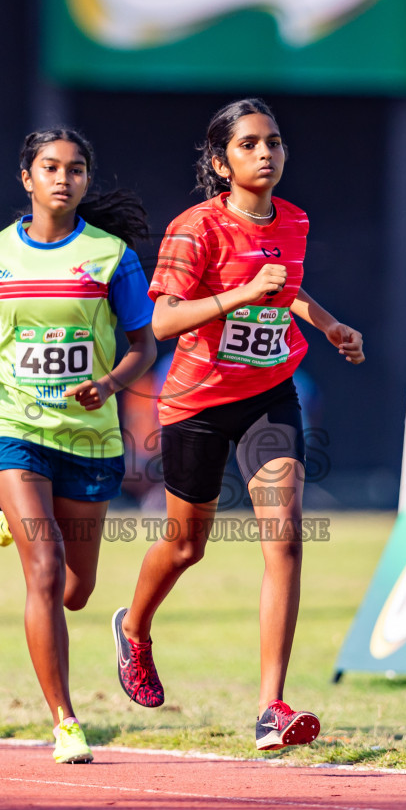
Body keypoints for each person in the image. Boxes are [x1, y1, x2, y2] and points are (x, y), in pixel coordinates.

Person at [112, 98, 364, 751]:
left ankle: (271, 708)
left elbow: (289, 288)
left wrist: (327, 323)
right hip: (196, 403)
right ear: (222, 161)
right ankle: (135, 629)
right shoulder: (194, 230)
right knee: (186, 546)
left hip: (269, 395)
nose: (266, 154)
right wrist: (238, 295)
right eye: (250, 144)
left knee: (284, 542)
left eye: (274, 142)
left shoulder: (296, 220)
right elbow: (160, 323)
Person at [0, 129, 157, 764]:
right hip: (12, 425)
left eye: (76, 168)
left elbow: (144, 347)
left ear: (85, 180)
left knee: (77, 590)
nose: (63, 178)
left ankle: (16, 516)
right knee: (45, 572)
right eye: (50, 167)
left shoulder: (111, 256)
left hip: (88, 435)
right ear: (26, 177)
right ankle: (65, 721)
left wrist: (106, 383)